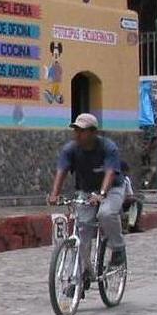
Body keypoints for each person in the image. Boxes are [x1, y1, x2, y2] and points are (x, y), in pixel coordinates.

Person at [47, 113, 126, 281]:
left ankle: (118, 250)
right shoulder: (70, 149)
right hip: (87, 190)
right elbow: (61, 171)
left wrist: (102, 194)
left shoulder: (107, 147)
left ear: (93, 132)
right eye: (75, 130)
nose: (77, 134)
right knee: (82, 229)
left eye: (81, 131)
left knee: (105, 214)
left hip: (112, 188)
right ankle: (82, 275)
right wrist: (54, 194)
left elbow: (110, 173)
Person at [120, 161, 144, 233]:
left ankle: (133, 226)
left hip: (124, 200)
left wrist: (133, 197)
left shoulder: (126, 180)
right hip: (115, 200)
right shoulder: (114, 178)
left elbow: (130, 193)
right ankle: (121, 227)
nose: (125, 174)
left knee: (138, 203)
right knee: (117, 204)